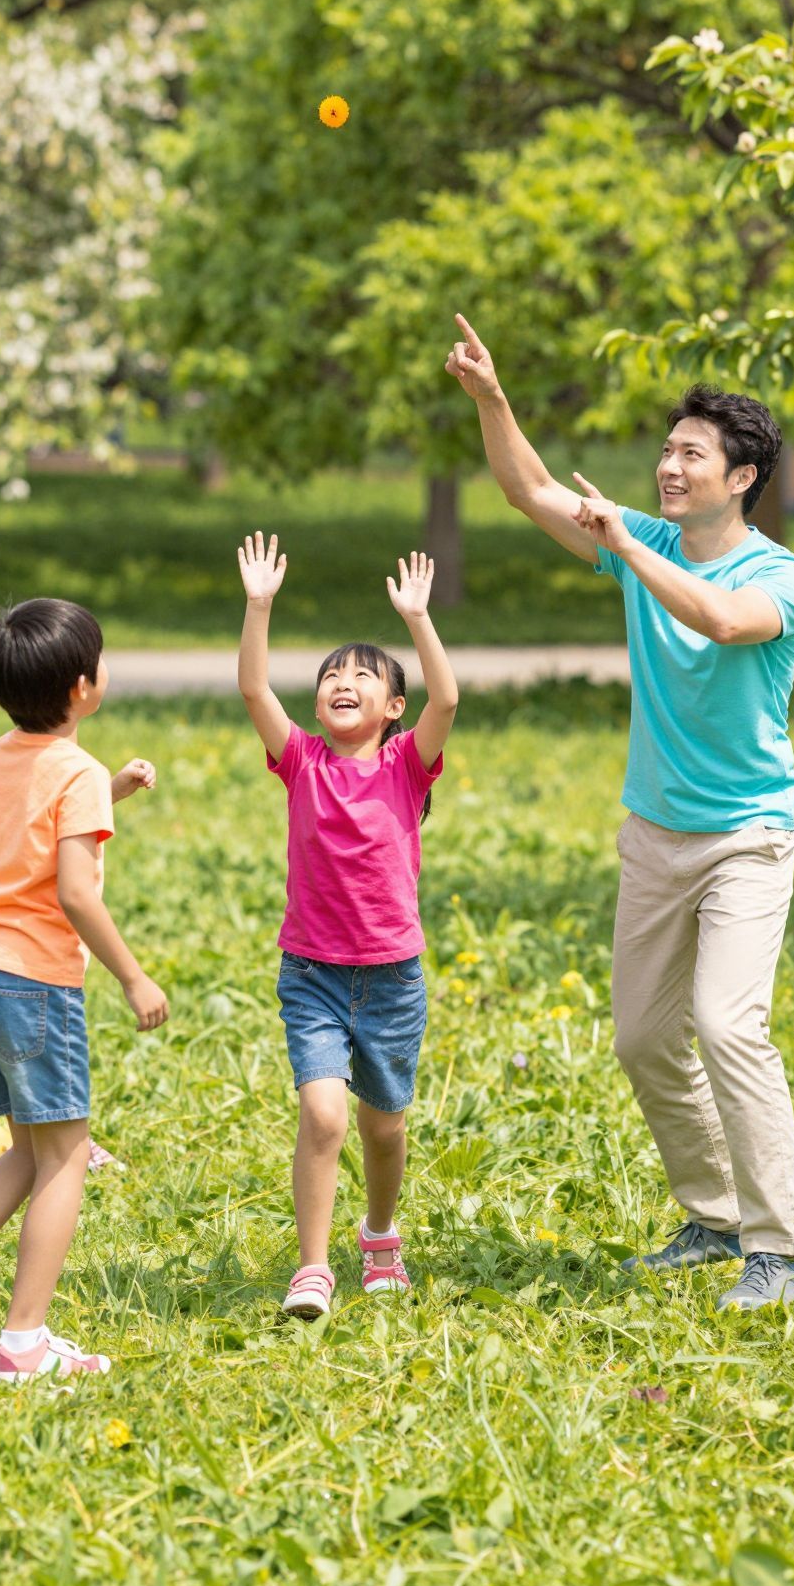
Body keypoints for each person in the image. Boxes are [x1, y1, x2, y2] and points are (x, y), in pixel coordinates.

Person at [446, 316, 794, 1311]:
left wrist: (625, 546)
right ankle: (714, 1216)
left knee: (728, 1026)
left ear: (740, 477)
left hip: (747, 836)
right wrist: (493, 398)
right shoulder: (642, 537)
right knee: (645, 1039)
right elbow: (529, 488)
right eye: (665, 449)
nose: (668, 465)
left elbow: (721, 619)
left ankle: (777, 1250)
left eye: (690, 453)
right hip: (656, 830)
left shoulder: (782, 575)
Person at [0, 597, 168, 1382]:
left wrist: (112, 790)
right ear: (83, 687)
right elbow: (76, 891)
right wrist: (133, 974)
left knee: (26, 1146)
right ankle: (23, 1342)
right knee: (68, 1155)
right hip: (36, 982)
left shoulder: (7, 752)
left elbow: (37, 834)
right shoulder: (71, 770)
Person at [237, 532, 458, 1318]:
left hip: (393, 978)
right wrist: (259, 606)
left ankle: (381, 1233)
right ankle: (312, 1268)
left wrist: (418, 620)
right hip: (314, 975)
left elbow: (449, 701)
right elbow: (255, 692)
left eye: (363, 676)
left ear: (392, 709)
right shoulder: (301, 763)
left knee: (383, 1128)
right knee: (324, 1115)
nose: (343, 681)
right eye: (333, 674)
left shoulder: (405, 765)